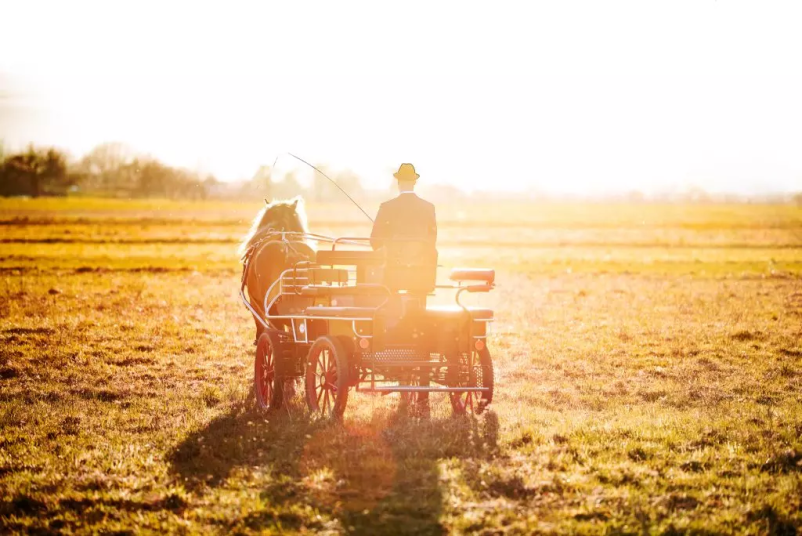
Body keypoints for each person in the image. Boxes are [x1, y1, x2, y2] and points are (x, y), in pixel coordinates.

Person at [370, 163, 437, 252]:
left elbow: (375, 240)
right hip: (421, 261)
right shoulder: (429, 207)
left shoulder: (386, 207)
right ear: (415, 182)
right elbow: (432, 239)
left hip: (392, 262)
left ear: (398, 182)